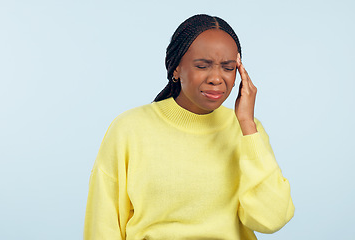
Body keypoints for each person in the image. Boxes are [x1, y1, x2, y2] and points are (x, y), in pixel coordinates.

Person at [84, 14, 294, 240]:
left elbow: (271, 219)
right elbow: (103, 225)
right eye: (202, 66)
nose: (216, 78)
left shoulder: (247, 132)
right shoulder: (129, 129)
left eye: (228, 67)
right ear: (176, 69)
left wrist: (247, 124)